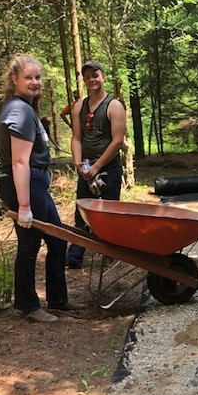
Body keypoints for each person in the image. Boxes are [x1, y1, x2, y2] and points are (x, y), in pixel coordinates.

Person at [0, 54, 81, 322]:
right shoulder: (19, 111)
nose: (35, 82)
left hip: (35, 184)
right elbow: (19, 161)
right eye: (28, 78)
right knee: (29, 245)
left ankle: (57, 299)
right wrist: (24, 207)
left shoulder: (24, 107)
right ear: (14, 80)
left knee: (57, 241)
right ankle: (27, 306)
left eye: (37, 77)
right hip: (25, 185)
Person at [66, 61, 126, 269]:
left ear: (103, 77)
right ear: (83, 80)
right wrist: (78, 163)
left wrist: (98, 166)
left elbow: (117, 141)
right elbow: (76, 137)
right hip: (86, 169)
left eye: (96, 75)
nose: (92, 79)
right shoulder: (78, 107)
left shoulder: (114, 106)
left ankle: (111, 254)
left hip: (108, 168)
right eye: (88, 76)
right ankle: (74, 258)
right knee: (81, 211)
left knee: (109, 214)